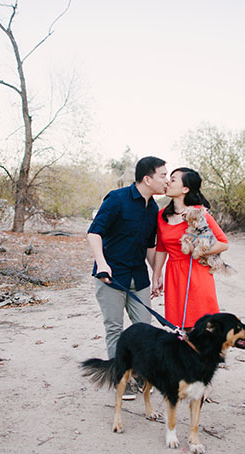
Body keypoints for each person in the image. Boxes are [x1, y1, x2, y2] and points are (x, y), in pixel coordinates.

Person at [87, 156, 168, 399]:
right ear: (147, 178)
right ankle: (120, 379)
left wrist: (156, 274)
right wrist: (102, 264)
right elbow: (94, 234)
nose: (166, 180)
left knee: (145, 327)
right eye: (163, 175)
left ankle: (143, 375)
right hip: (110, 277)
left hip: (139, 277)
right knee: (115, 328)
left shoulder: (153, 208)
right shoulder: (117, 199)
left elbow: (150, 246)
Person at [151, 167, 229, 330]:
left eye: (173, 180)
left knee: (203, 328)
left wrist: (197, 250)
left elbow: (223, 243)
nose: (167, 182)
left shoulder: (199, 214)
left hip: (197, 274)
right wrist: (156, 274)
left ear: (185, 188)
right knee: (179, 328)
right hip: (174, 275)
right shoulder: (161, 215)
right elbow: (161, 248)